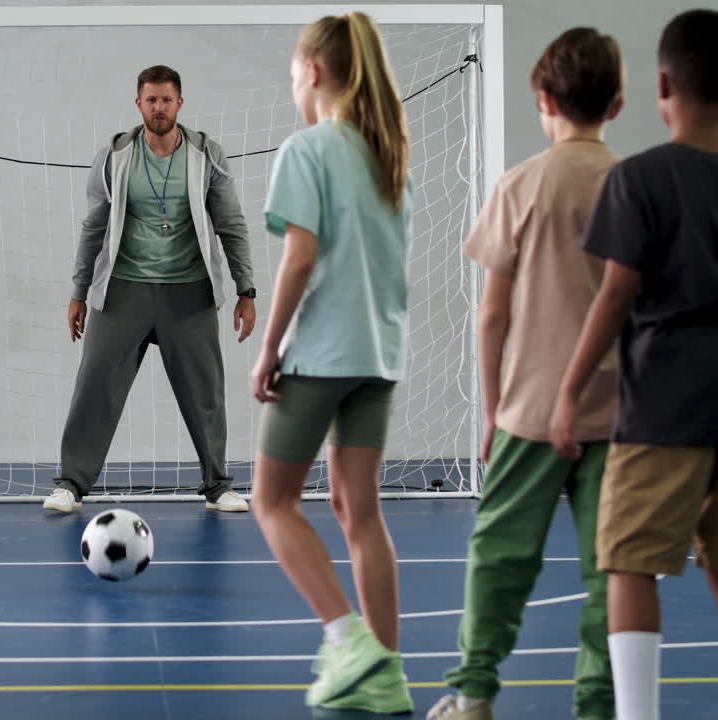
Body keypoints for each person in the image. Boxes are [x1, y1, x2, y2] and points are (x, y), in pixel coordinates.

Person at [428, 27, 626, 720]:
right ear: (620, 101)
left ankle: (475, 693)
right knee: (612, 572)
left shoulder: (521, 186)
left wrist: (490, 411)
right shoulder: (635, 187)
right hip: (619, 415)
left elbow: (491, 316)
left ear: (542, 98)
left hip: (529, 412)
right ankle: (601, 706)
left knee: (499, 558)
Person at [550, 9, 718, 720]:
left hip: (664, 408)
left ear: (660, 86)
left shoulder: (644, 178)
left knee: (628, 560)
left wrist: (569, 392)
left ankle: (638, 714)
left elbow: (615, 295)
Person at [249, 12, 414, 713]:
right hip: (378, 356)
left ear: (312, 72)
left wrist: (270, 347)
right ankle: (387, 673)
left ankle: (347, 641)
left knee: (272, 500)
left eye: (293, 76)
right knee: (358, 511)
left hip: (321, 353)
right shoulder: (388, 154)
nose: (293, 88)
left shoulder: (308, 148)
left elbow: (301, 257)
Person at [47, 64, 256, 513]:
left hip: (190, 291)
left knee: (206, 393)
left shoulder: (206, 154)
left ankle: (218, 486)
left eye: (166, 99)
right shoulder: (115, 155)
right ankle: (70, 484)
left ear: (180, 103)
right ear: (138, 103)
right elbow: (93, 227)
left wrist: (247, 289)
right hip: (123, 290)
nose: (159, 107)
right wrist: (79, 291)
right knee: (95, 386)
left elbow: (231, 225)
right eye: (151, 99)